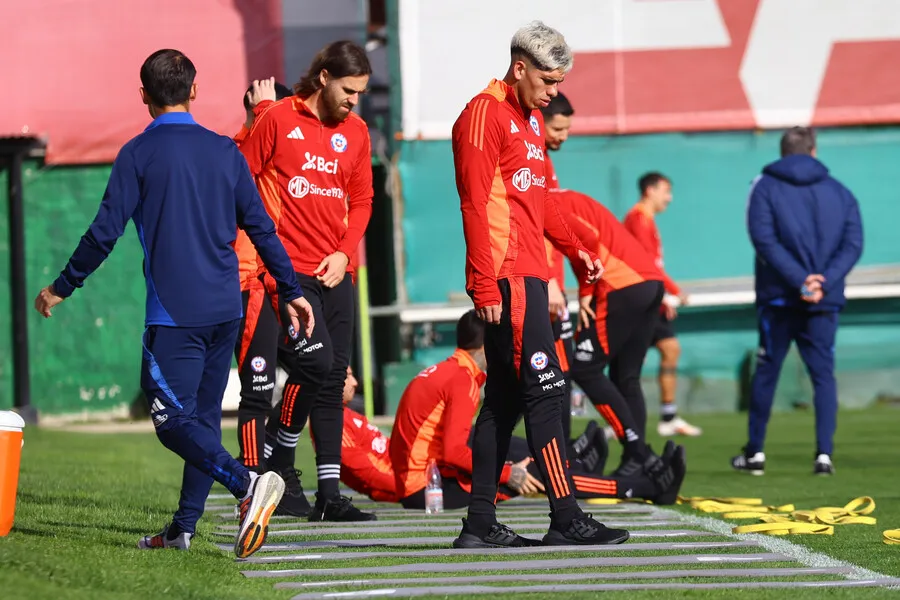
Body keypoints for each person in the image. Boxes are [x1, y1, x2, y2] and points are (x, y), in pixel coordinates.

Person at [32, 49, 314, 558]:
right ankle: (183, 530)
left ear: (143, 95)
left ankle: (247, 484)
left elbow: (103, 234)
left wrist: (62, 286)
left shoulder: (137, 154)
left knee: (169, 421)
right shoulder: (225, 151)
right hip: (226, 310)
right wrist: (291, 290)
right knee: (200, 423)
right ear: (194, 90)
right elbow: (261, 228)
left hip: (176, 316)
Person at [453, 20, 630, 548]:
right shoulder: (483, 113)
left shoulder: (530, 121)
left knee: (504, 401)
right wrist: (484, 284)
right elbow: (474, 204)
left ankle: (479, 524)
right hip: (507, 278)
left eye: (559, 82)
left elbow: (543, 202)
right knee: (548, 390)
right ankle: (566, 517)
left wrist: (577, 250)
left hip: (531, 274)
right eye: (549, 80)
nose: (554, 93)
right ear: (519, 67)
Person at [240, 41, 376, 522]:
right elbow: (241, 177)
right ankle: (278, 452)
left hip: (338, 270)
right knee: (314, 363)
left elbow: (363, 202)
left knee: (335, 377)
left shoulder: (357, 132)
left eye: (360, 93)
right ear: (323, 78)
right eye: (348, 90)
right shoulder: (278, 118)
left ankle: (329, 494)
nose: (354, 101)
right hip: (289, 270)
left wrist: (344, 252)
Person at [390, 311, 684, 510]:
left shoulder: (449, 371)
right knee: (541, 470)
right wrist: (508, 473)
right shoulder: (461, 380)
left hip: (420, 480)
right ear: (485, 345)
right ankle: (646, 487)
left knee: (519, 451)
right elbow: (453, 452)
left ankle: (578, 461)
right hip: (428, 490)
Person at [733, 126, 863, 476]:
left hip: (778, 299)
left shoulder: (764, 186)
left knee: (767, 372)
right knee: (823, 376)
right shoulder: (840, 192)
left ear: (782, 152)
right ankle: (824, 456)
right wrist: (823, 281)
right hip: (823, 300)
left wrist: (799, 280)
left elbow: (763, 239)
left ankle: (755, 453)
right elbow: (853, 244)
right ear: (813, 151)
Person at [550, 188, 682, 481]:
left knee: (585, 369)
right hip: (649, 284)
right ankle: (636, 463)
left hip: (620, 285)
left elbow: (586, 240)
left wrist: (585, 290)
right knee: (626, 377)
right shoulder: (569, 197)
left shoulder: (543, 202)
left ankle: (639, 452)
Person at [231, 78, 301, 488]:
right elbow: (245, 173)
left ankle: (276, 460)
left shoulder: (294, 150)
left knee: (318, 369)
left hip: (285, 282)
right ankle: (253, 479)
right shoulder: (237, 150)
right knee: (258, 387)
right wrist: (265, 114)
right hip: (250, 282)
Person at [623, 173, 702, 437]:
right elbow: (645, 265)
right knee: (629, 362)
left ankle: (668, 416)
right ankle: (621, 419)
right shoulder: (637, 219)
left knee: (670, 349)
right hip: (639, 301)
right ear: (650, 190)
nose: (669, 198)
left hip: (650, 297)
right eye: (666, 191)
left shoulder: (646, 220)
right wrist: (672, 292)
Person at [540, 92, 576, 443]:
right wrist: (549, 279)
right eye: (558, 129)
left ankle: (561, 455)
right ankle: (558, 458)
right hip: (541, 283)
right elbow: (532, 226)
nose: (563, 136)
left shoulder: (545, 159)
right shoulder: (533, 159)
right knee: (550, 374)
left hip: (552, 283)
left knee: (559, 373)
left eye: (567, 129)